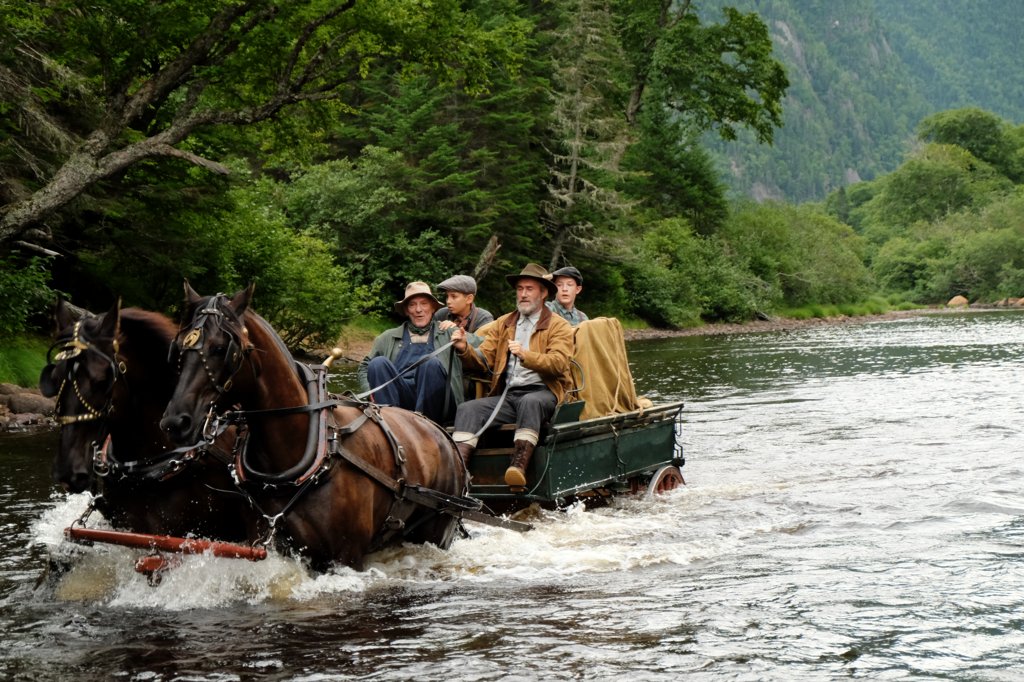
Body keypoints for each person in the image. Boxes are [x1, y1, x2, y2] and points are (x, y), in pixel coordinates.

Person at [450, 263, 574, 487]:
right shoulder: (505, 323)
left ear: (543, 293)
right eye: (520, 289)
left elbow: (559, 363)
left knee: (530, 402)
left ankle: (517, 467)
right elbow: (483, 360)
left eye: (529, 289)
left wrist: (526, 355)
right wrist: (463, 348)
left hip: (545, 393)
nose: (523, 294)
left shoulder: (558, 325)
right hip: (508, 396)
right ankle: (459, 471)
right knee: (468, 408)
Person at [357, 281, 464, 424]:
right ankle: (390, 425)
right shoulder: (387, 337)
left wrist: (465, 347)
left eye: (424, 304)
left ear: (433, 308)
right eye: (412, 305)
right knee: (377, 363)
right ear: (406, 310)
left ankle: (426, 428)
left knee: (429, 363)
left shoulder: (450, 332)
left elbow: (484, 350)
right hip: (398, 400)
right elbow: (364, 366)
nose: (418, 309)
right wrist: (371, 392)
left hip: (438, 404)